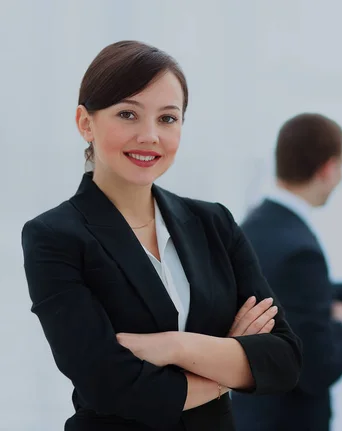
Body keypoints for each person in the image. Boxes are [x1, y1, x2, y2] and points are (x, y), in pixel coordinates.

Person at [21, 40, 301, 431]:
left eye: (167, 119)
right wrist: (231, 363)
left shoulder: (213, 223)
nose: (150, 135)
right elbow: (111, 387)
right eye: (128, 114)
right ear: (85, 122)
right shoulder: (54, 236)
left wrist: (176, 346)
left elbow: (284, 360)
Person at [232, 113, 342, 431]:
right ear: (328, 169)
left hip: (248, 414)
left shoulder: (251, 225)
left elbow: (280, 290)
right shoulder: (302, 251)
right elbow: (318, 369)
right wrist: (340, 324)